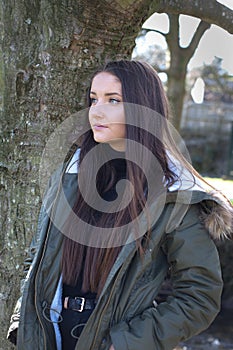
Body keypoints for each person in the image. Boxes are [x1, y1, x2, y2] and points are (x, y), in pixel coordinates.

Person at [7, 60, 233, 350]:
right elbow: (37, 258)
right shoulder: (70, 176)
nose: (96, 110)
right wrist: (21, 320)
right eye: (93, 99)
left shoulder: (174, 194)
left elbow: (200, 295)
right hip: (48, 338)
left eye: (113, 100)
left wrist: (126, 343)